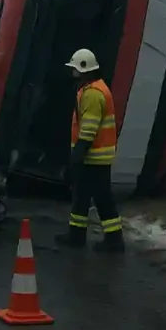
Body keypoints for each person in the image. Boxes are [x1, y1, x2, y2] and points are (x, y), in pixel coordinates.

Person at [55, 48, 125, 252]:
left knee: (93, 198)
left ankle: (109, 240)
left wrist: (78, 154)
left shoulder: (93, 94)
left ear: (83, 70)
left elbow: (89, 128)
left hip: (93, 157)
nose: (72, 72)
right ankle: (86, 236)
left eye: (74, 68)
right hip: (97, 157)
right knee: (89, 197)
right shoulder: (94, 89)